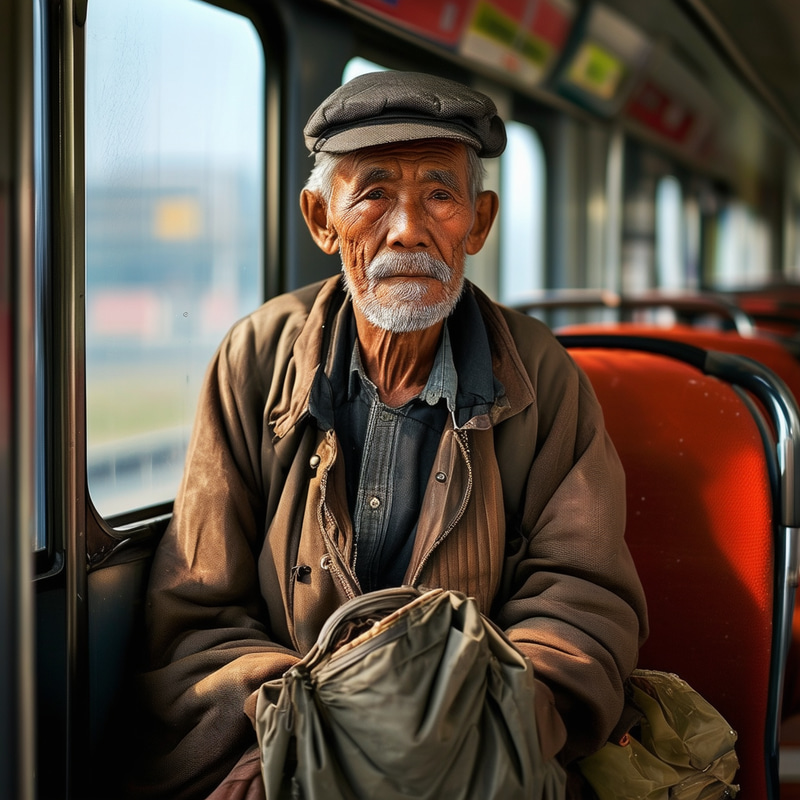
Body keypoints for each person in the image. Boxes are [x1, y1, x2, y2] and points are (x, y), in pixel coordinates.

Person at [138, 70, 648, 800]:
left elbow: (582, 604)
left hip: (480, 745)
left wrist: (448, 742)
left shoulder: (542, 376)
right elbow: (196, 613)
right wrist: (298, 739)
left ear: (478, 222)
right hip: (284, 736)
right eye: (374, 194)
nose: (407, 229)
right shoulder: (253, 361)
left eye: (439, 195)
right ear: (321, 220)